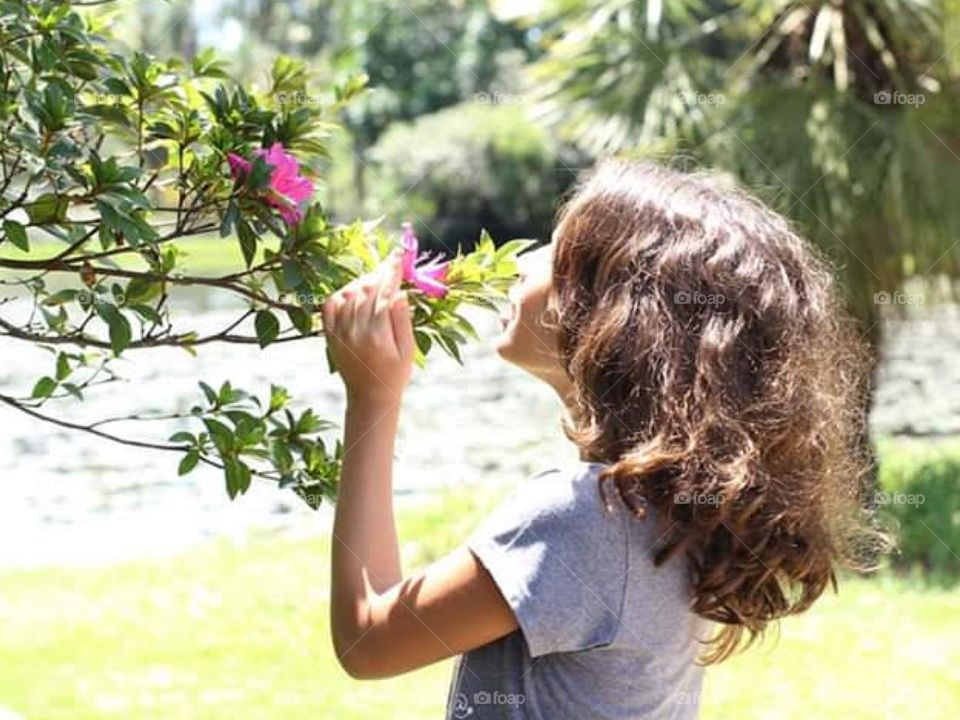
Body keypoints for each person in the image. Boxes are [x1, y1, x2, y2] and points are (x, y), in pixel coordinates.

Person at [319, 158, 890, 719]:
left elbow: (369, 638)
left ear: (618, 316)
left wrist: (372, 395)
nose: (522, 263)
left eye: (556, 253)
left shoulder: (583, 520)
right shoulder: (674, 514)